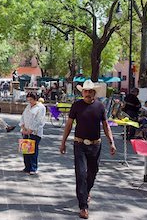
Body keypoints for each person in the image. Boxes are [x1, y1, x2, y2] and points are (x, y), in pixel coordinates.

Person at [59, 80, 116, 219]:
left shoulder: (100, 106)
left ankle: (86, 191)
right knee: (81, 174)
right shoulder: (76, 105)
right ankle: (83, 206)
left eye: (90, 91)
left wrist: (112, 143)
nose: (88, 93)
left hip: (96, 145)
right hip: (79, 145)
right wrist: (63, 142)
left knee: (93, 172)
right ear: (82, 92)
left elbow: (106, 126)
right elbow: (69, 124)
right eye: (85, 91)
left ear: (94, 93)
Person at [19, 92, 46, 175]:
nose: (29, 102)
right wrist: (23, 126)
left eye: (31, 100)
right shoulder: (28, 106)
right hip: (26, 131)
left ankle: (33, 167)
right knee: (25, 150)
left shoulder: (41, 107)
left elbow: (39, 120)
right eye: (28, 100)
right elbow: (23, 116)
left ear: (35, 99)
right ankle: (27, 167)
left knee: (33, 151)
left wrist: (31, 130)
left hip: (35, 133)